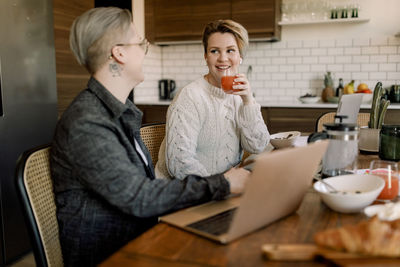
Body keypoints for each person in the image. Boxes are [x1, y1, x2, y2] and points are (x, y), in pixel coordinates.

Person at [50, 7, 250, 266]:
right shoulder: (88, 123)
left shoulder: (116, 113)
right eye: (140, 43)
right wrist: (223, 183)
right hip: (113, 255)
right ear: (118, 53)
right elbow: (140, 197)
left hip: (141, 238)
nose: (145, 50)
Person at [155, 19, 270, 179]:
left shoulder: (239, 97)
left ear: (240, 56)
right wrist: (223, 185)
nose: (223, 58)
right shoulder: (190, 96)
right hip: (187, 191)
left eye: (230, 50)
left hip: (225, 186)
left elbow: (258, 146)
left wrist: (248, 101)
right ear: (206, 57)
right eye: (214, 51)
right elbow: (179, 164)